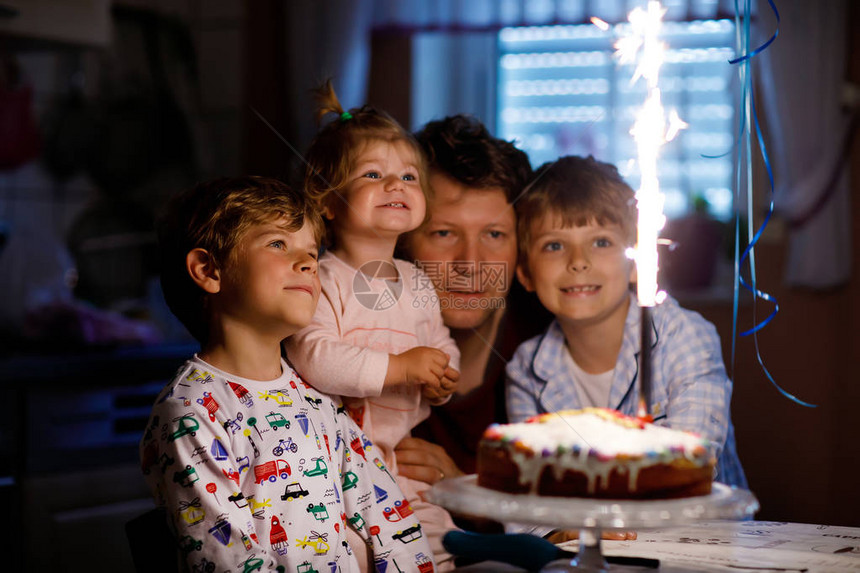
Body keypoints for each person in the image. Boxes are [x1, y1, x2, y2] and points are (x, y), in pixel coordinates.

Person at [140, 176, 435, 572]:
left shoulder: (319, 402)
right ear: (209, 270)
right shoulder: (191, 413)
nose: (308, 262)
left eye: (312, 252)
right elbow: (229, 561)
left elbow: (390, 515)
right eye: (278, 243)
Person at [284, 83, 460, 569]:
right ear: (328, 201)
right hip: (337, 470)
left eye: (408, 176)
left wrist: (444, 374)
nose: (396, 185)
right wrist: (400, 368)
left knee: (439, 546)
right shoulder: (321, 277)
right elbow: (315, 356)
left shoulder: (417, 282)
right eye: (373, 174)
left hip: (402, 463)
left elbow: (439, 341)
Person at [506, 155, 748, 491]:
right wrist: (556, 536)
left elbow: (691, 464)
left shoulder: (683, 337)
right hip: (582, 542)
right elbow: (527, 493)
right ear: (526, 274)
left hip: (698, 538)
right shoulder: (525, 371)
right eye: (554, 245)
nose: (579, 262)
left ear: (639, 262)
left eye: (601, 242)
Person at [393, 115, 550, 493]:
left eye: (494, 234)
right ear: (403, 242)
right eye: (444, 233)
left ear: (521, 248)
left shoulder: (551, 341)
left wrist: (464, 492)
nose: (470, 264)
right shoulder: (358, 343)